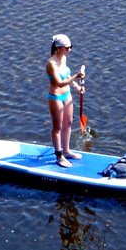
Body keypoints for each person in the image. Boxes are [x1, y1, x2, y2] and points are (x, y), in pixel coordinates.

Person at [47, 34, 85, 168]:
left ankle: (67, 151)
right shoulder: (51, 64)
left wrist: (77, 87)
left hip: (67, 95)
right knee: (57, 127)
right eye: (67, 48)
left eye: (71, 47)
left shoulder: (63, 58)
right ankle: (59, 156)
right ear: (58, 48)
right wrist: (76, 76)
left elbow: (66, 74)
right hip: (56, 97)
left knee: (68, 124)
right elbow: (60, 83)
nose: (70, 50)